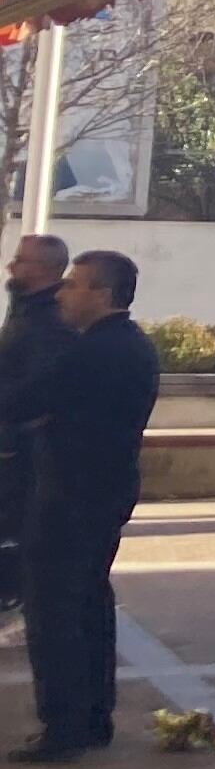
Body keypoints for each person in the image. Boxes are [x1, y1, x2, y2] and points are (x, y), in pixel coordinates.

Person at [14, 250, 151, 768]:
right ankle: (93, 716)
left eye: (73, 285)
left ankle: (64, 725)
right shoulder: (131, 345)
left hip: (70, 497)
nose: (63, 293)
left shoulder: (90, 352)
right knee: (89, 604)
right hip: (105, 492)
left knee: (54, 612)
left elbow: (24, 399)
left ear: (102, 294)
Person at [0, 232, 66, 636]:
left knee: (13, 526)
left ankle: (12, 600)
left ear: (42, 268)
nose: (11, 266)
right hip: (12, 440)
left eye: (20, 260)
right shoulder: (24, 308)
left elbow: (36, 387)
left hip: (21, 448)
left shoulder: (50, 319)